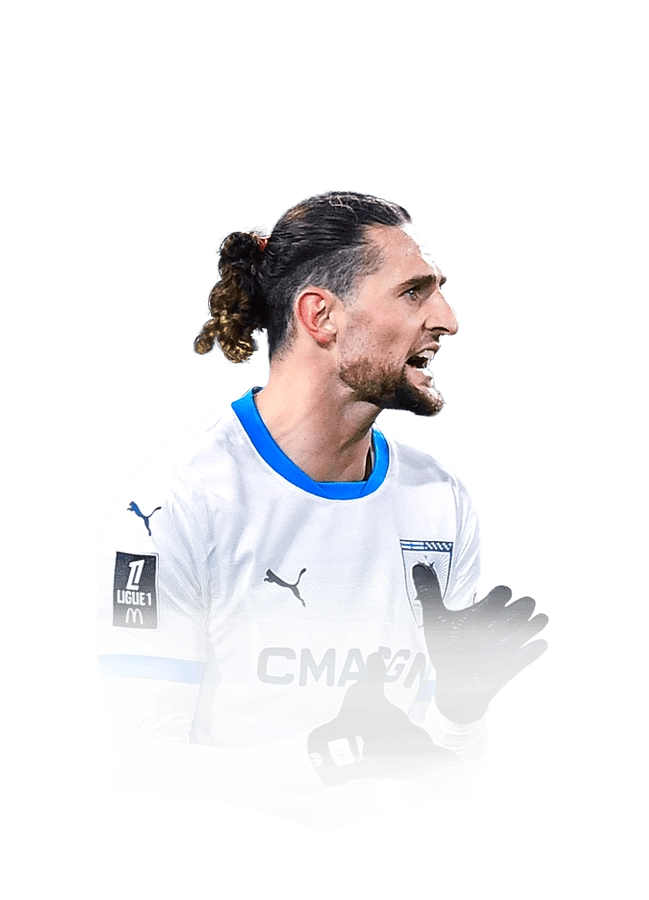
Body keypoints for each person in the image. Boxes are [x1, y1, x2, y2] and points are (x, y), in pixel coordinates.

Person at [95, 190, 548, 832]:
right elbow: (138, 770)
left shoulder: (438, 498)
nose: (447, 320)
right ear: (321, 316)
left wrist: (459, 711)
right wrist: (325, 758)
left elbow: (438, 792)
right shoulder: (177, 498)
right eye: (413, 292)